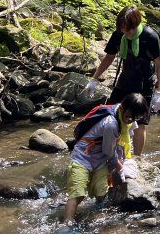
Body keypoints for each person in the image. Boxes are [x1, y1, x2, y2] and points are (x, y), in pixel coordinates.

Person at [83, 6, 160, 156]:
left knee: (140, 123)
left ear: (136, 25)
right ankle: (104, 150)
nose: (126, 33)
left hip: (144, 86)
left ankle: (137, 158)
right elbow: (109, 57)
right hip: (124, 81)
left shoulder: (150, 37)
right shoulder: (118, 35)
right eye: (123, 30)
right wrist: (94, 79)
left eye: (129, 30)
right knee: (108, 114)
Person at [61, 92, 149, 225]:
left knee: (101, 192)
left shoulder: (129, 117)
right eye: (128, 117)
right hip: (83, 156)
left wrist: (128, 160)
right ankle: (66, 225)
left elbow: (127, 140)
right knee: (77, 194)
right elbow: (109, 152)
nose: (130, 120)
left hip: (100, 159)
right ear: (121, 108)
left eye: (134, 118)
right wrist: (121, 168)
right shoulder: (111, 124)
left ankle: (95, 218)